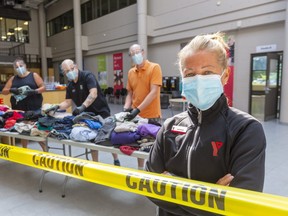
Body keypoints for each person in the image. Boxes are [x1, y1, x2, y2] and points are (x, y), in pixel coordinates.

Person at [145, 32, 266, 216]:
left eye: (207, 72)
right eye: (190, 74)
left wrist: (172, 188)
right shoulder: (169, 127)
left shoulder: (245, 130)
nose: (199, 80)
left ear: (225, 76)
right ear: (183, 80)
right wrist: (211, 197)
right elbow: (150, 185)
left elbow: (241, 204)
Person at [44, 59, 120, 166]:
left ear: (76, 66)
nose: (70, 72)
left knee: (108, 136)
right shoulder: (70, 86)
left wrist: (82, 107)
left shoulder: (87, 76)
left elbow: (93, 94)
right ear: (64, 73)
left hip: (101, 112)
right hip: (87, 116)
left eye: (71, 68)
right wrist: (56, 107)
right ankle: (95, 164)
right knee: (92, 139)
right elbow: (67, 102)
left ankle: (116, 158)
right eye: (67, 71)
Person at [123, 44, 163, 170]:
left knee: (154, 146)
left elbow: (153, 92)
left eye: (137, 52)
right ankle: (140, 170)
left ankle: (155, 171)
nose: (135, 55)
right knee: (138, 145)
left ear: (143, 52)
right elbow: (130, 93)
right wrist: (126, 108)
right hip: (137, 115)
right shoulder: (131, 72)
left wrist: (137, 110)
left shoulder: (154, 68)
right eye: (132, 54)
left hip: (152, 115)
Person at [2, 58, 46, 150]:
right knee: (23, 131)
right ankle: (24, 149)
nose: (19, 68)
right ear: (14, 69)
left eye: (21, 66)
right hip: (19, 109)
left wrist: (34, 91)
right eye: (16, 67)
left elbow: (43, 87)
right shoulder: (13, 79)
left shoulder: (33, 75)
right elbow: (4, 91)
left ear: (25, 66)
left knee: (36, 130)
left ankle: (46, 150)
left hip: (34, 108)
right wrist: (11, 90)